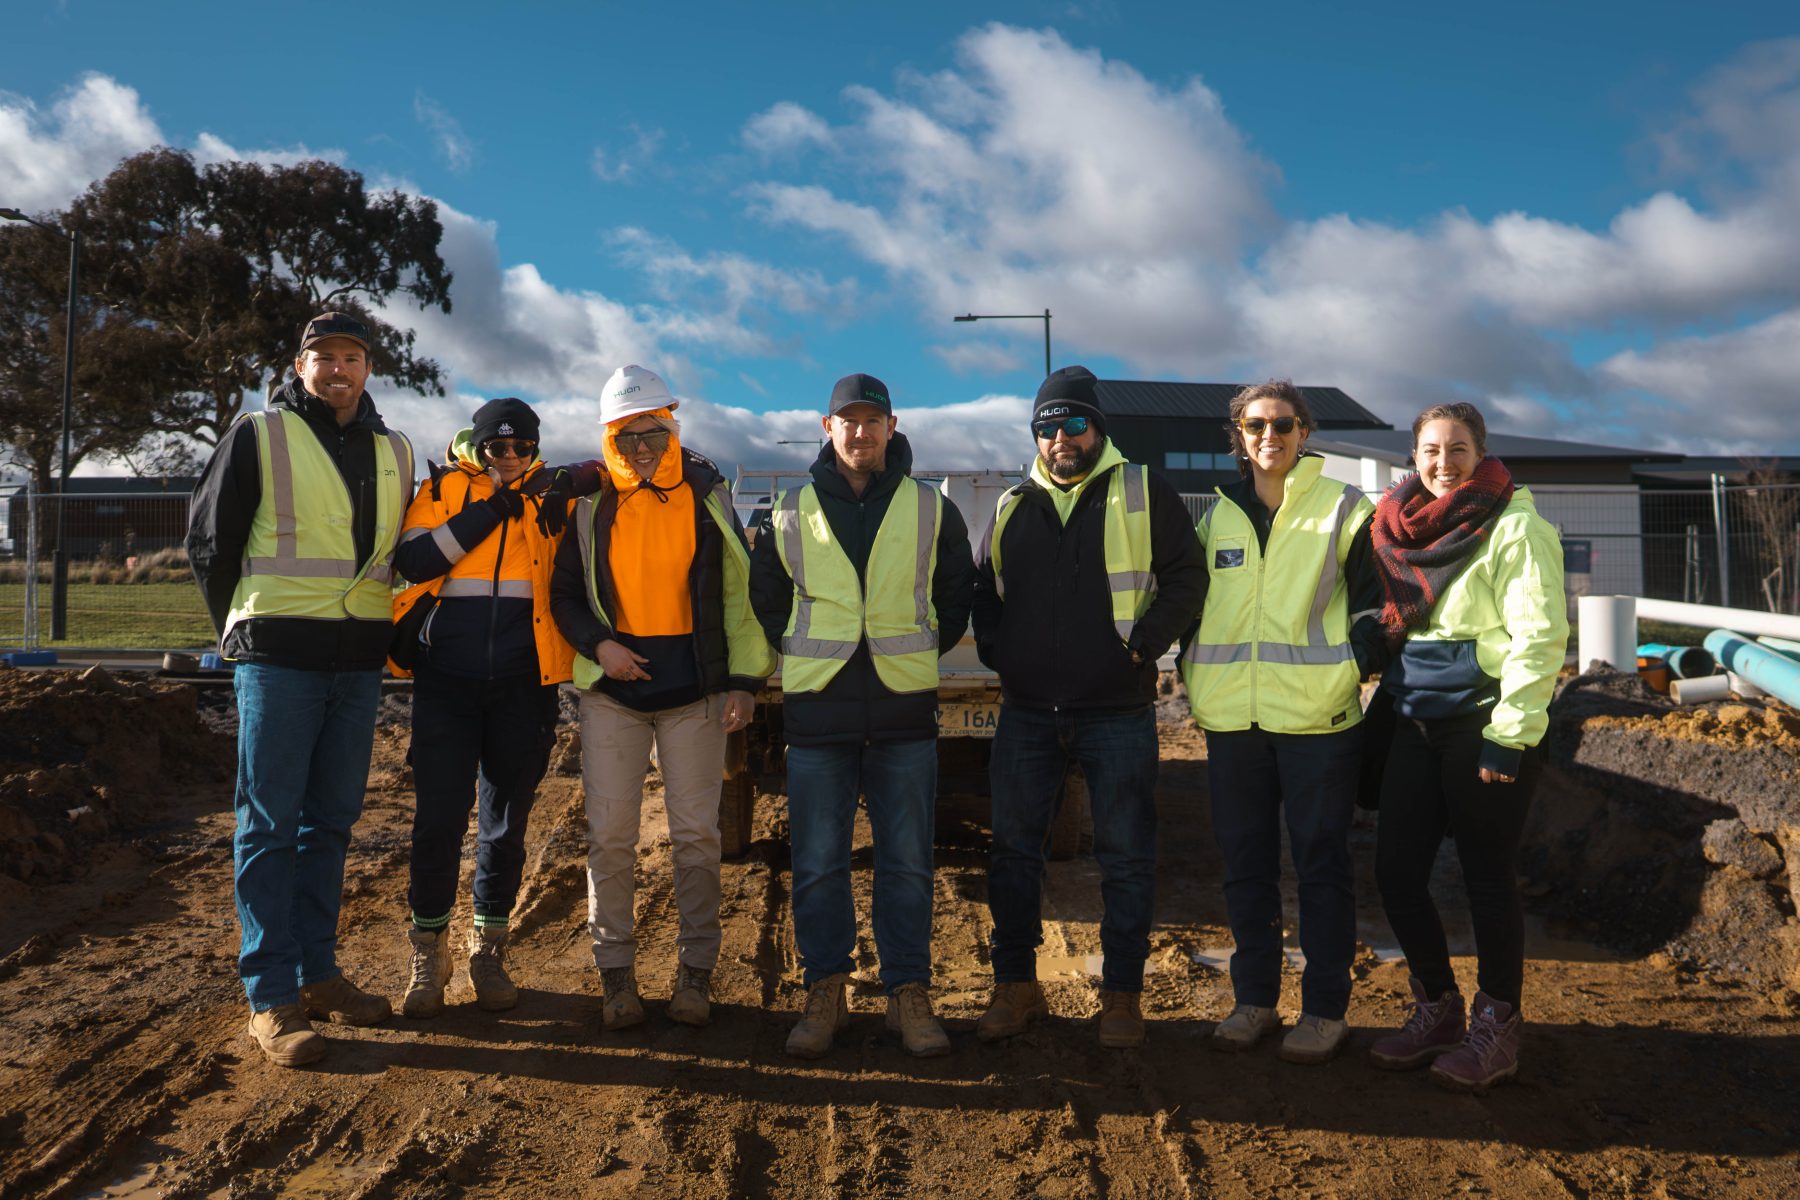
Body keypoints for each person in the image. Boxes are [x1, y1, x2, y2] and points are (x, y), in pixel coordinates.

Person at [186, 311, 413, 1067]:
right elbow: (211, 543)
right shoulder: (260, 435)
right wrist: (240, 628)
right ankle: (271, 997)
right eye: (325, 356)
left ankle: (318, 974)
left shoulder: (396, 450)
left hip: (358, 664)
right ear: (300, 364)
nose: (339, 368)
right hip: (278, 659)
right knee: (269, 825)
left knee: (331, 824)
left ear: (368, 368)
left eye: (352, 357)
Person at [971, 365, 1207, 1049]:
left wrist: (1143, 646)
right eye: (1047, 427)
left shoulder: (1143, 491)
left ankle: (1122, 996)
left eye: (1074, 423)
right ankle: (1015, 986)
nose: (1060, 438)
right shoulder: (1013, 504)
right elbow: (984, 589)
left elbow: (1187, 577)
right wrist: (1000, 652)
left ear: (1097, 429)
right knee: (1014, 854)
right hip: (1027, 712)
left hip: (1117, 711)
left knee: (1126, 857)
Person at [749, 372, 975, 1059]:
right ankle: (826, 990)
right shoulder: (789, 510)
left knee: (907, 864)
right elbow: (768, 597)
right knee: (819, 864)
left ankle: (908, 992)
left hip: (903, 711)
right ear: (828, 428)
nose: (860, 431)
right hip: (820, 711)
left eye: (873, 420)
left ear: (891, 427)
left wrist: (920, 646)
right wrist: (807, 651)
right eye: (847, 420)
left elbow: (956, 593)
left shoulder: (931, 507)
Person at [551, 365, 776, 1031]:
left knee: (697, 837)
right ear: (609, 440)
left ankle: (695, 974)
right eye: (627, 437)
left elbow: (737, 594)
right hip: (613, 697)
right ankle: (616, 976)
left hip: (694, 696)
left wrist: (743, 681)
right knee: (611, 837)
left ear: (673, 429)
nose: (642, 448)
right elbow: (564, 595)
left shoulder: (707, 498)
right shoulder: (590, 507)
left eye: (653, 433)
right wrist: (600, 646)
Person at [1181, 379, 1386, 1065]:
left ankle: (1325, 1010)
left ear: (1305, 432)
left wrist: (1351, 667)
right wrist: (1193, 672)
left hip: (1320, 721)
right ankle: (1255, 1002)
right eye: (1255, 425)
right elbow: (1191, 605)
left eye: (1282, 424)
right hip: (1233, 720)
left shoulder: (1345, 509)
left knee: (1321, 867)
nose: (1269, 436)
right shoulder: (1219, 516)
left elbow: (1379, 607)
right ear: (1238, 436)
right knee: (1245, 866)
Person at [1364, 402, 1567, 1092]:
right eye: (1430, 449)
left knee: (1486, 877)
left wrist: (1511, 737)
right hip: (1414, 718)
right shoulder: (1399, 524)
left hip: (1484, 723)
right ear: (1414, 456)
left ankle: (1498, 1025)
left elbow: (1540, 637)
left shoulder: (1516, 526)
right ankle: (1438, 1008)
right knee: (1396, 872)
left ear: (1480, 453)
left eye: (1456, 449)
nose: (1443, 462)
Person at [389, 396, 588, 1018]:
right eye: (497, 446)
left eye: (521, 447)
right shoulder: (441, 490)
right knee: (438, 821)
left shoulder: (553, 496)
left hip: (525, 685)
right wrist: (494, 507)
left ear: (535, 449)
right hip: (446, 683)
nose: (509, 457)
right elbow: (414, 560)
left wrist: (573, 479)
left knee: (505, 826)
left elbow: (611, 475)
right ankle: (430, 952)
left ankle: (489, 950)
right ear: (476, 446)